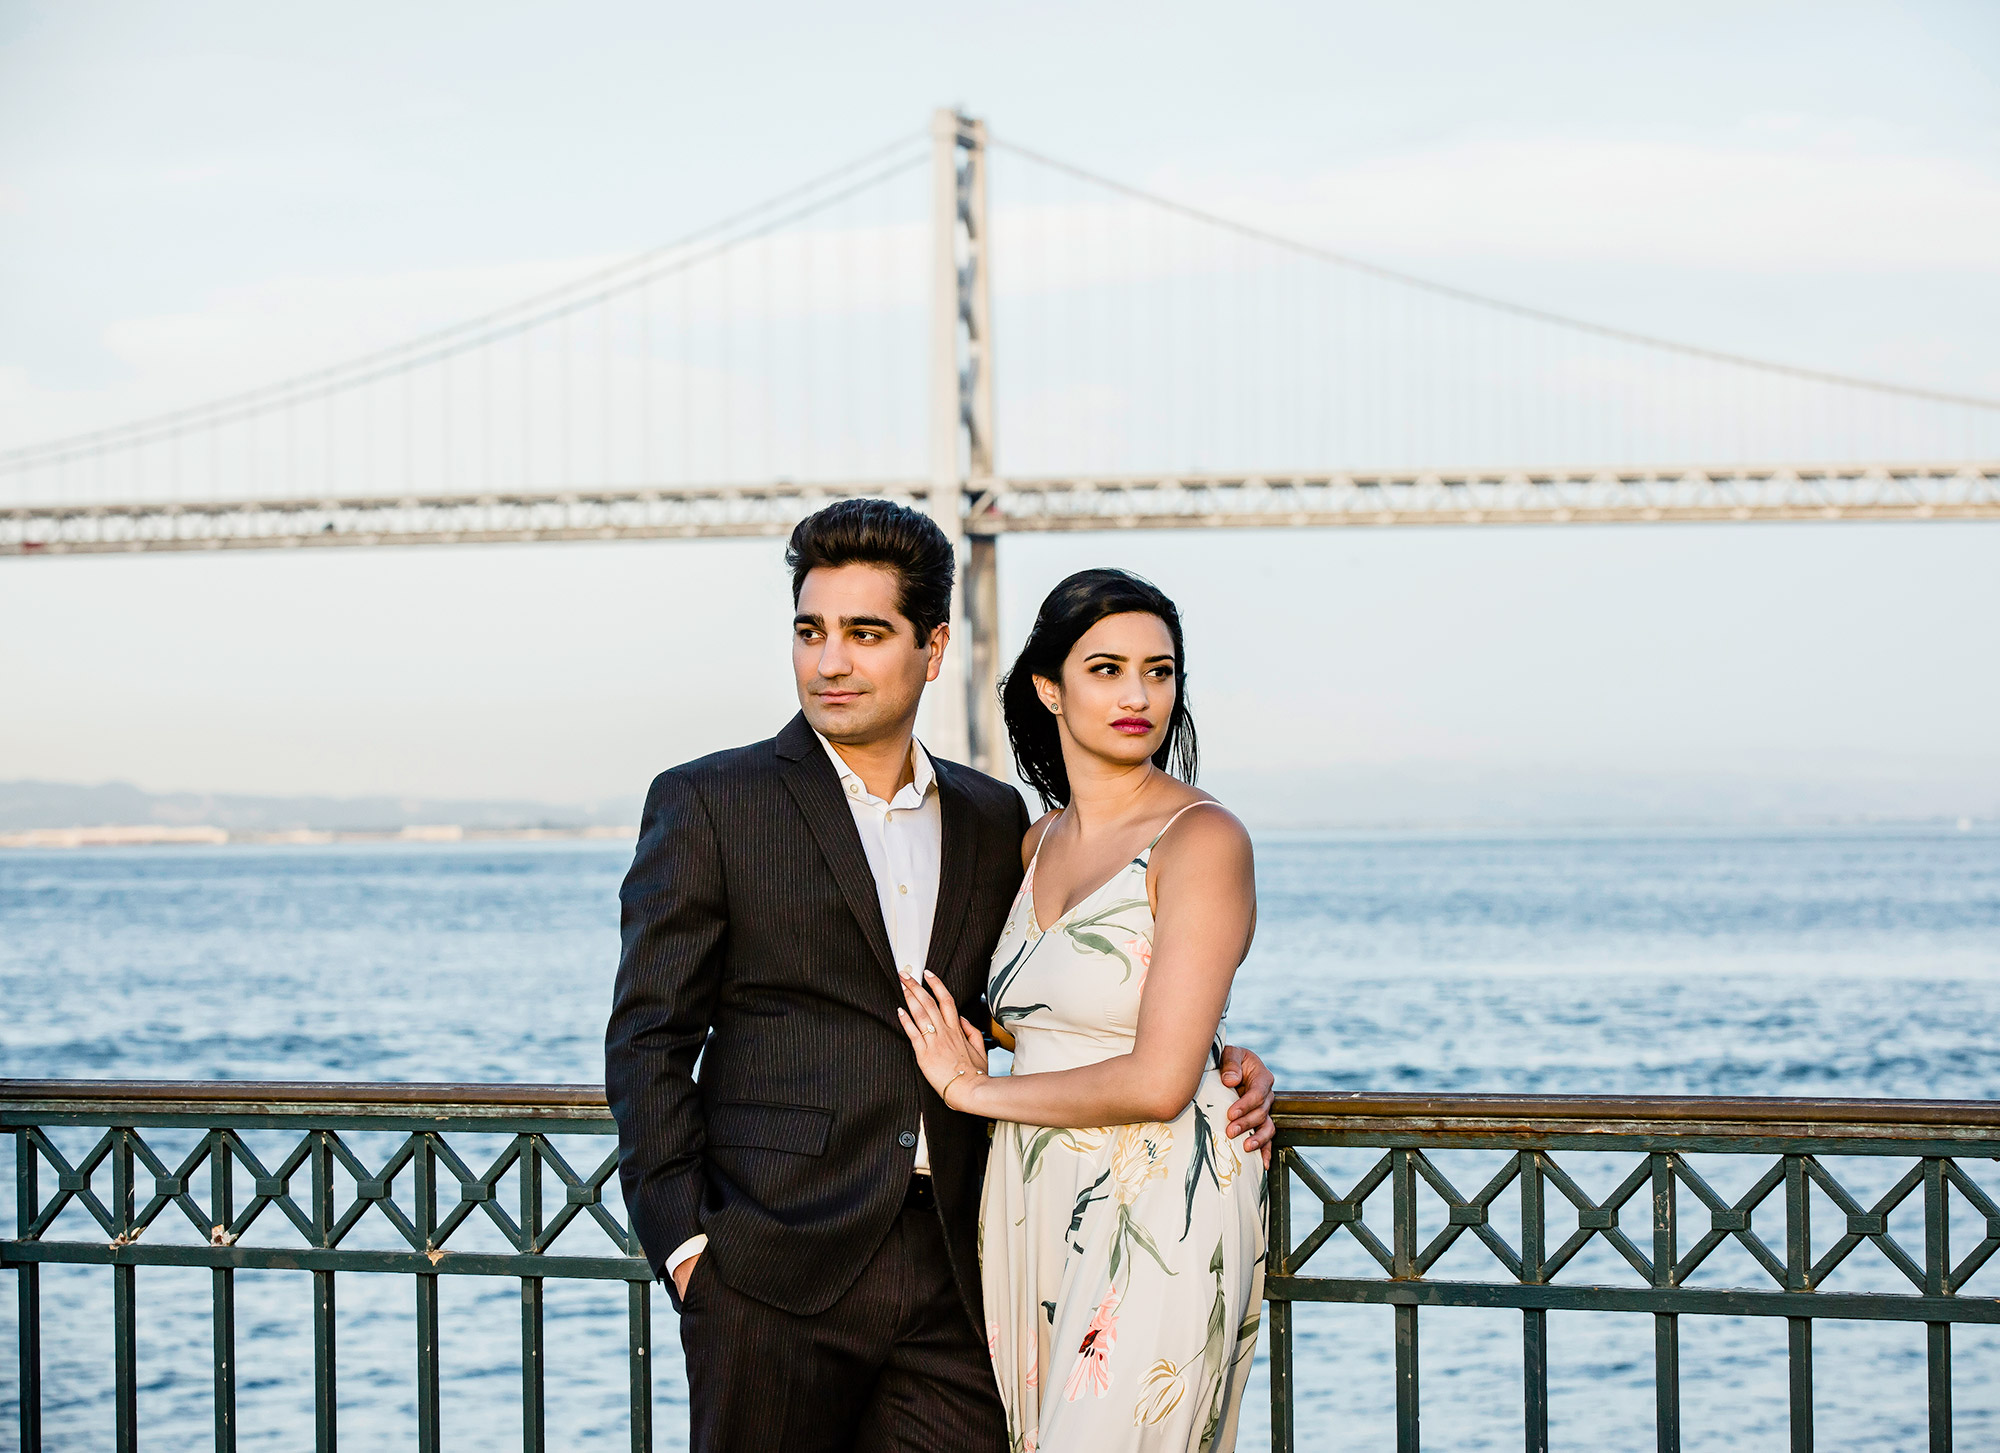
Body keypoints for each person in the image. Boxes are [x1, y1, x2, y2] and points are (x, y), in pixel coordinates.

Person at [605, 500, 1276, 1453]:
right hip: (773, 1269)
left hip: (967, 1266)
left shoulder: (993, 816)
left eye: (865, 633)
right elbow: (647, 1038)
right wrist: (687, 1248)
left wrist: (1219, 1059)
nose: (830, 660)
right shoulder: (711, 800)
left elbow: (1061, 991)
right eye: (811, 631)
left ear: (933, 648)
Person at [896, 567, 1265, 1453]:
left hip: (1158, 1200)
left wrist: (969, 1091)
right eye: (1106, 668)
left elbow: (1158, 1078)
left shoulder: (1205, 839)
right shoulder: (1033, 843)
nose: (1140, 695)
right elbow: (1041, 1020)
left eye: (1160, 670)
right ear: (1049, 688)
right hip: (1032, 1194)